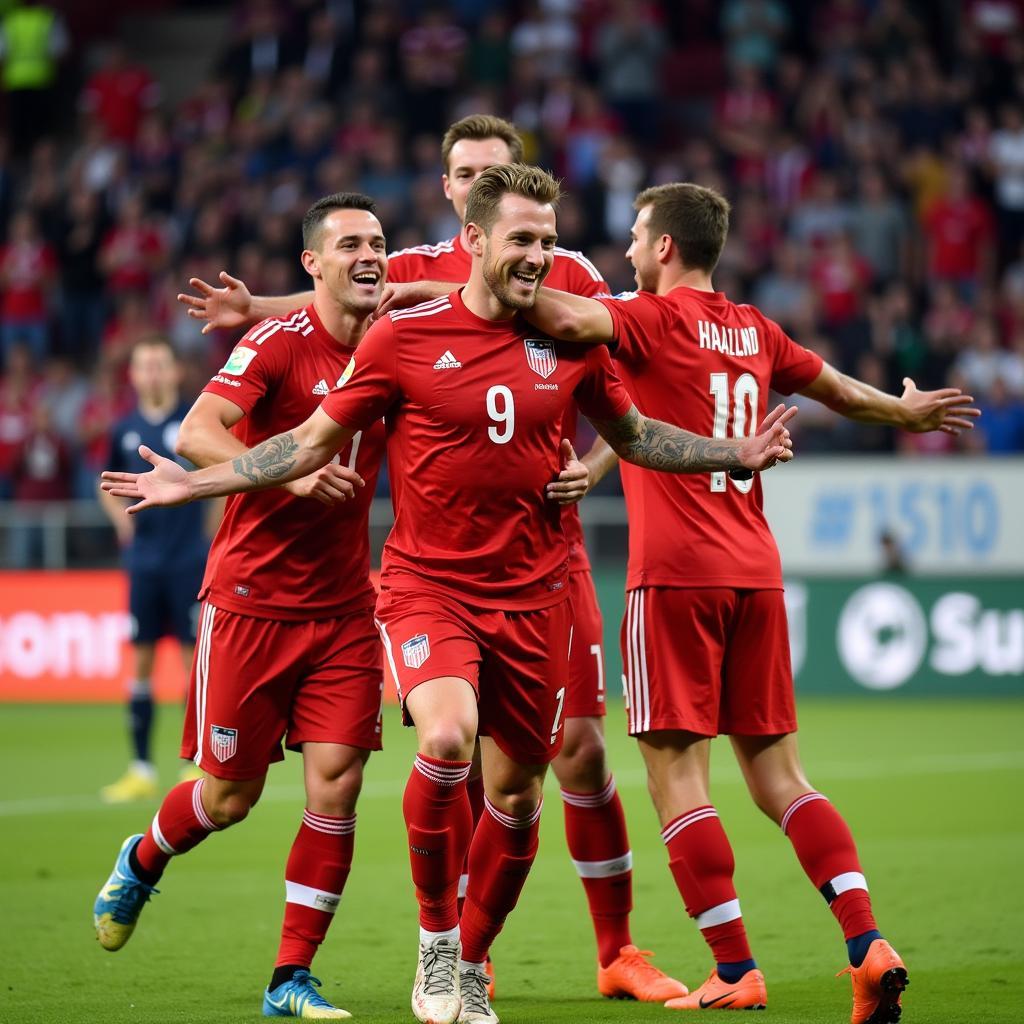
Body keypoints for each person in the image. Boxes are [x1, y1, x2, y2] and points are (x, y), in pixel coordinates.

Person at [103, 164, 796, 1024]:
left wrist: (732, 453)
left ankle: (470, 960)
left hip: (535, 596)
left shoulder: (574, 344)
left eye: (548, 240)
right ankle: (433, 945)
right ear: (471, 240)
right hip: (424, 588)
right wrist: (197, 485)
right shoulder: (403, 338)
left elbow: (638, 434)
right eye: (522, 240)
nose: (539, 256)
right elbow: (309, 442)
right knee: (442, 739)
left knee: (516, 795)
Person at [177, 113, 683, 1003]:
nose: (477, 182)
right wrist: (257, 312)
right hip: (435, 573)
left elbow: (627, 403)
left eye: (495, 169)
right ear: (453, 192)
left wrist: (595, 464)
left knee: (574, 760)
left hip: (548, 563)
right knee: (447, 740)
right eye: (463, 172)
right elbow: (340, 298)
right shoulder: (411, 274)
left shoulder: (566, 273)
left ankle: (605, 952)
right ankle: (444, 949)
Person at [523, 182, 981, 1020]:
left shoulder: (647, 319)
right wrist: (906, 412)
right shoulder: (754, 329)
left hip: (674, 579)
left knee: (677, 784)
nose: (625, 250)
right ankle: (866, 941)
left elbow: (556, 317)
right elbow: (840, 389)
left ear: (665, 246)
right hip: (757, 573)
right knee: (781, 778)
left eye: (633, 237)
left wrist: (485, 275)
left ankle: (734, 967)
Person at [94, 193, 397, 1020]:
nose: (371, 256)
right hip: (252, 601)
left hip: (341, 608)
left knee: (336, 786)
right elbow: (197, 431)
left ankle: (288, 980)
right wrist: (292, 469)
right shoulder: (278, 343)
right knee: (229, 798)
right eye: (351, 245)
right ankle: (145, 855)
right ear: (314, 264)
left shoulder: (397, 335)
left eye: (379, 243)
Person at [97, 337, 212, 802]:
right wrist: (120, 529)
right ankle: (141, 767)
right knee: (141, 661)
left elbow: (220, 480)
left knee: (191, 663)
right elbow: (104, 483)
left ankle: (192, 766)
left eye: (160, 364)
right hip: (144, 564)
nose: (153, 373)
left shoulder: (193, 423)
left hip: (188, 562)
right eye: (144, 365)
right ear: (134, 376)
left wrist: (210, 537)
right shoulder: (124, 428)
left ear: (174, 371)